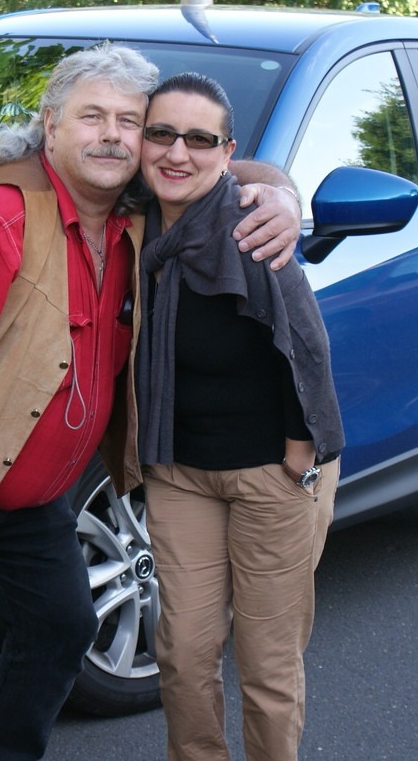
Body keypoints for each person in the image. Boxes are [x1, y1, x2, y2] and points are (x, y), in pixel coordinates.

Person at [0, 44, 300, 760]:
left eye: (129, 122)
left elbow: (225, 165)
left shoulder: (139, 210)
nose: (111, 136)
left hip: (23, 483)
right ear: (50, 126)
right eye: (91, 117)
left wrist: (284, 194)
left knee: (60, 626)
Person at [134, 72, 343, 761]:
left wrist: (296, 458)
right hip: (179, 471)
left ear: (227, 153)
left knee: (266, 664)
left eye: (199, 139)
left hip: (269, 473)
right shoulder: (130, 222)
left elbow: (306, 347)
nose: (176, 153)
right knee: (183, 653)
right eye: (161, 133)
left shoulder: (250, 227)